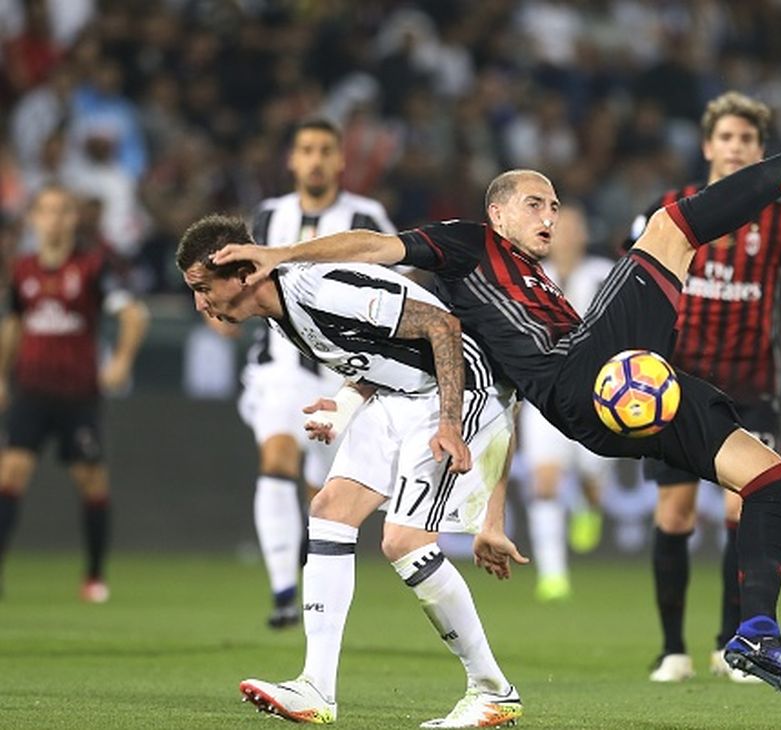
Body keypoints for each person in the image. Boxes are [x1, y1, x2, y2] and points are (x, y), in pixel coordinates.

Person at [214, 61, 781, 702]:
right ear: (497, 214)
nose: (549, 216)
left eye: (554, 205)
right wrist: (279, 254)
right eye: (535, 204)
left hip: (609, 392)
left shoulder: (539, 286)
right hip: (581, 375)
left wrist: (493, 514)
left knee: (771, 479)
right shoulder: (465, 245)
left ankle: (755, 631)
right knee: (670, 228)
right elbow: (368, 244)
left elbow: (503, 401)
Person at [177, 215, 525, 727]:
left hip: (459, 389)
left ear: (243, 273)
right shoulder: (281, 312)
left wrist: (450, 424)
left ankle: (493, 689)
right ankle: (316, 687)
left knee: (404, 541)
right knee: (330, 510)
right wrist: (343, 403)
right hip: (401, 394)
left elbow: (441, 327)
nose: (201, 304)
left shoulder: (319, 290)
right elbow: (376, 356)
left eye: (204, 288)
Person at [623, 92, 781, 683]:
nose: (736, 148)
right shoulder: (667, 210)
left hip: (750, 386)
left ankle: (735, 644)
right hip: (673, 386)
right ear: (708, 146)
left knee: (745, 500)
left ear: (760, 149)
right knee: (675, 514)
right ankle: (671, 649)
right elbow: (628, 284)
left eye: (748, 141)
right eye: (726, 138)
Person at [241, 118, 398, 629]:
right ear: (292, 159)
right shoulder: (266, 217)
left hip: (341, 376)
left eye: (324, 150)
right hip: (277, 371)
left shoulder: (365, 215)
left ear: (339, 161)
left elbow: (394, 293)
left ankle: (311, 583)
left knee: (322, 491)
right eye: (305, 149)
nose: (314, 159)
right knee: (276, 457)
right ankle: (283, 589)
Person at [0, 182, 149, 602]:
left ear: (73, 219)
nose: (54, 219)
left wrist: (120, 360)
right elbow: (13, 323)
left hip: (77, 395)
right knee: (9, 475)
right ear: (34, 219)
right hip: (30, 389)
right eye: (46, 210)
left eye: (63, 211)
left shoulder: (91, 267)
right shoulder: (23, 268)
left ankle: (95, 576)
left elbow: (134, 315)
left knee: (91, 482)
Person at [517, 202, 613, 602]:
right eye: (559, 229)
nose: (566, 235)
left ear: (584, 235)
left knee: (592, 481)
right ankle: (553, 576)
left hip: (598, 397)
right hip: (545, 396)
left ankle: (588, 507)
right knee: (544, 482)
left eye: (574, 228)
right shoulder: (531, 278)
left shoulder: (603, 275)